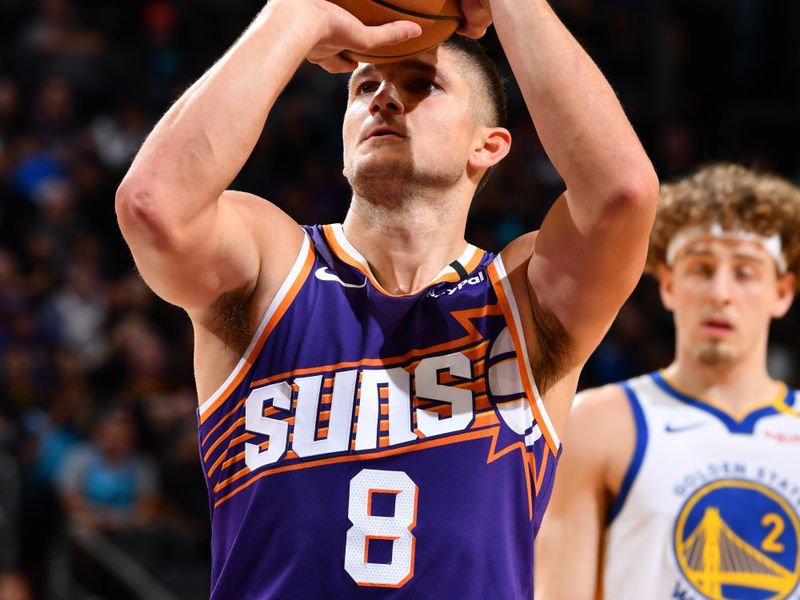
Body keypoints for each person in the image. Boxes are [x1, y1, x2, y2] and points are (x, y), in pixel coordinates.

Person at [115, 0, 658, 597]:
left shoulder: (523, 295)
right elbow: (153, 205)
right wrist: (294, 17)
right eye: (363, 86)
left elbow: (624, 194)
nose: (382, 98)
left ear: (490, 146)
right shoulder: (276, 267)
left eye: (422, 83)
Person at [536, 163, 800, 600]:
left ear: (783, 292)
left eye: (746, 272)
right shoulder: (599, 424)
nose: (721, 292)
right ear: (669, 286)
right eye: (700, 269)